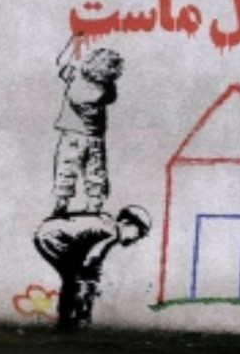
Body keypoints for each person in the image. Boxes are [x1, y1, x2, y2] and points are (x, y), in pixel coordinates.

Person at [34, 205, 152, 330]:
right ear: (125, 223)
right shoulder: (112, 232)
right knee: (78, 278)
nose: (137, 239)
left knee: (73, 279)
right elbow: (93, 257)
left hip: (49, 234)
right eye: (140, 232)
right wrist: (93, 279)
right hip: (53, 237)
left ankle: (68, 319)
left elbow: (92, 257)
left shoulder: (107, 225)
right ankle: (76, 319)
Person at [53, 46, 124, 216]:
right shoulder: (106, 88)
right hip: (95, 137)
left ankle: (62, 202)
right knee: (96, 170)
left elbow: (61, 63)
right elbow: (112, 98)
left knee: (67, 167)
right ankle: (95, 204)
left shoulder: (75, 79)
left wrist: (73, 44)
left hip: (73, 133)